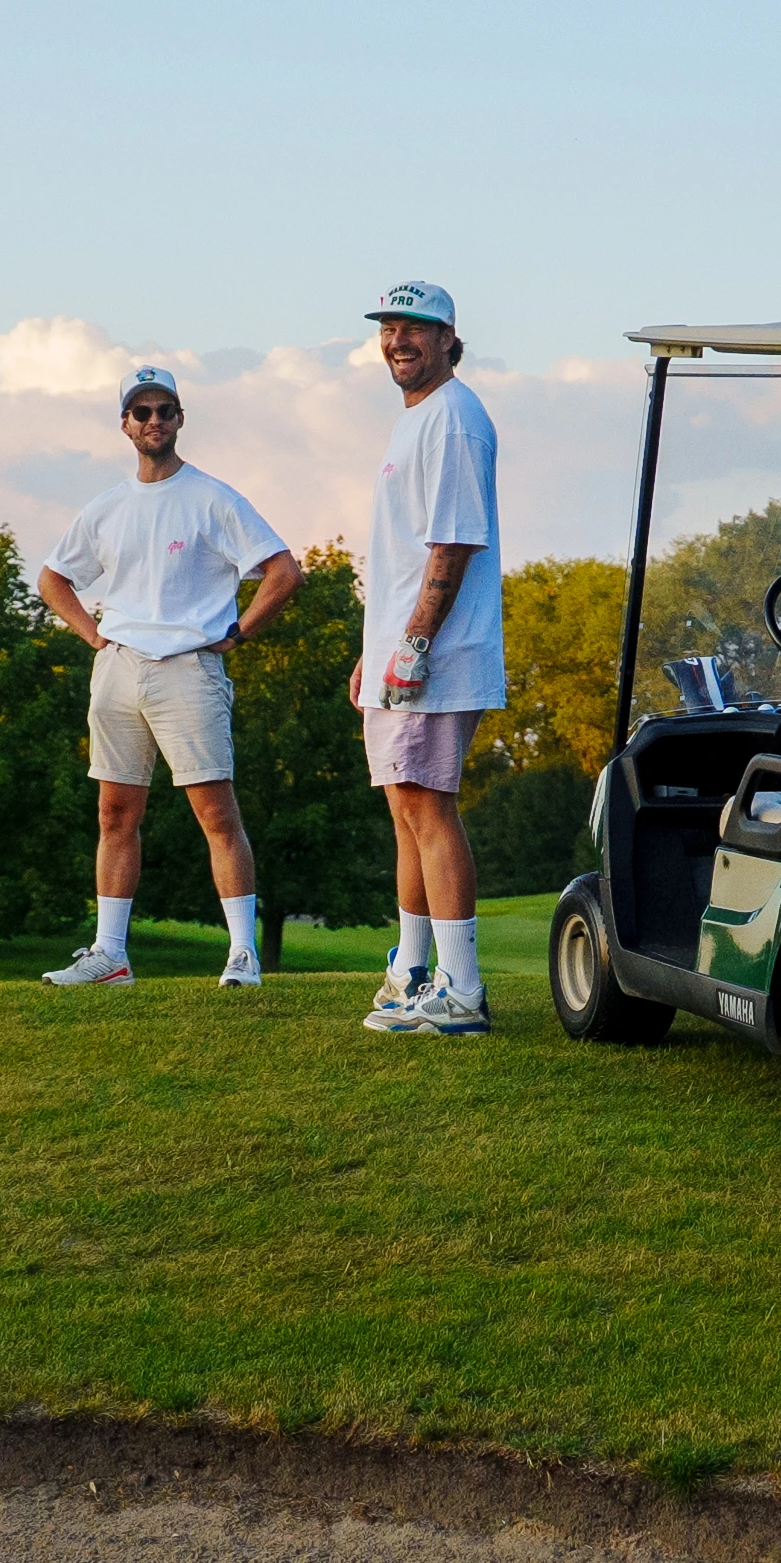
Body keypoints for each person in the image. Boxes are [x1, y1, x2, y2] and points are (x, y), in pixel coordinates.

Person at [35, 364, 304, 988]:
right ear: (125, 424)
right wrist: (95, 637)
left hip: (190, 670)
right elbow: (53, 578)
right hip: (118, 668)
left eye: (165, 411)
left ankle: (242, 954)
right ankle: (110, 957)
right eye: (141, 412)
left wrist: (236, 633)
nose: (153, 421)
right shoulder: (105, 506)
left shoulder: (214, 498)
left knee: (216, 815)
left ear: (181, 419)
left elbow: (284, 571)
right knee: (113, 814)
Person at [352, 281, 505, 1035]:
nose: (399, 340)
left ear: (451, 341)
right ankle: (415, 973)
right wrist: (372, 648)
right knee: (405, 812)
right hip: (400, 649)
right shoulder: (415, 419)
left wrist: (412, 645)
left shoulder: (452, 419)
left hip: (437, 652)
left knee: (428, 808)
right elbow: (402, 555)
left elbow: (453, 543)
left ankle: (462, 991)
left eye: (417, 328)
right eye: (390, 327)